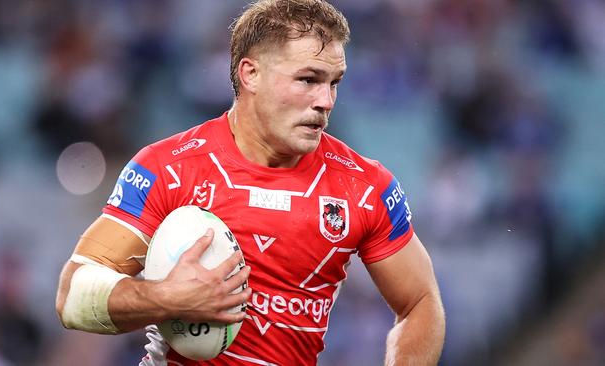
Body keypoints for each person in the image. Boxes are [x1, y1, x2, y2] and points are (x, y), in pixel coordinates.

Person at [55, 0, 445, 365]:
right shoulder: (169, 168)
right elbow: (73, 295)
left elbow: (420, 301)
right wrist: (164, 298)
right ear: (250, 74)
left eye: (334, 82)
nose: (326, 100)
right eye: (308, 80)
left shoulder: (364, 186)